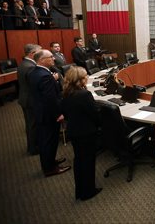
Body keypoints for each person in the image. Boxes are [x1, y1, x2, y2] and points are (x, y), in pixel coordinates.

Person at [61, 66, 102, 201]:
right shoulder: (84, 94)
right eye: (85, 76)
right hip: (86, 132)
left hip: (73, 131)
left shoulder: (67, 92)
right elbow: (95, 114)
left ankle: (80, 190)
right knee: (88, 162)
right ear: (80, 80)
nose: (87, 77)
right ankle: (88, 191)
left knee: (78, 161)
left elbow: (66, 113)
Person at [28, 49, 71, 177]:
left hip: (41, 112)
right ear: (42, 60)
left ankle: (50, 161)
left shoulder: (35, 72)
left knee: (46, 140)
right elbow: (51, 99)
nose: (54, 58)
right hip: (48, 115)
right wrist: (58, 114)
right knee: (48, 141)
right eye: (51, 57)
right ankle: (50, 168)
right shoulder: (45, 76)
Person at [18, 44, 42, 155]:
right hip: (30, 100)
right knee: (33, 125)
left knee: (30, 124)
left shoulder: (24, 63)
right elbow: (36, 84)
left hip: (25, 98)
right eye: (39, 52)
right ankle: (34, 148)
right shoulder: (30, 66)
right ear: (32, 54)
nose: (41, 54)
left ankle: (32, 147)